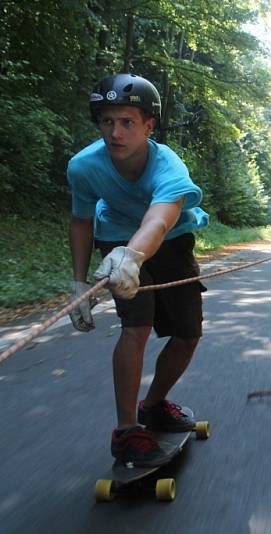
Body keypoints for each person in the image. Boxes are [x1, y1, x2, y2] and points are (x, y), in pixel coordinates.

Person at [67, 73, 209, 467]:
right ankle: (127, 432)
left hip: (169, 240)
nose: (115, 133)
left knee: (187, 334)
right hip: (114, 239)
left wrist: (134, 256)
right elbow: (80, 221)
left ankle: (154, 405)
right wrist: (78, 281)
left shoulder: (169, 166)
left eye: (127, 122)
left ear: (149, 125)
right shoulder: (83, 167)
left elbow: (160, 221)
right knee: (136, 327)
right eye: (107, 122)